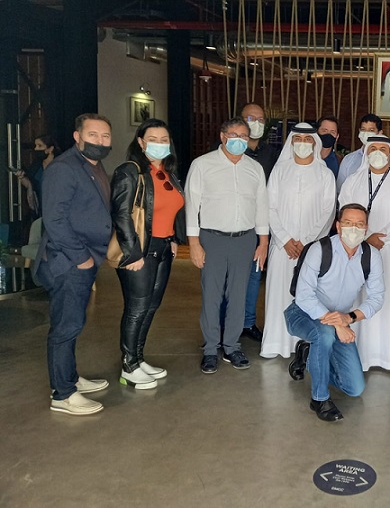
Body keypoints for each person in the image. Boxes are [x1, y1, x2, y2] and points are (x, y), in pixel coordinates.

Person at [34, 114, 113, 416]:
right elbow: (54, 220)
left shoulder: (92, 165)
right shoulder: (63, 168)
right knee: (66, 327)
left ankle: (70, 377)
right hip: (67, 261)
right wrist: (81, 258)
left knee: (73, 323)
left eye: (105, 136)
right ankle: (63, 394)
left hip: (84, 259)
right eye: (93, 135)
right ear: (77, 136)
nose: (100, 141)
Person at [185, 118, 270, 374]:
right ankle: (211, 349)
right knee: (212, 295)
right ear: (223, 136)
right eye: (234, 135)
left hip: (245, 239)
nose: (239, 140)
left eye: (244, 136)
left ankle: (232, 346)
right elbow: (192, 205)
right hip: (212, 238)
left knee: (238, 294)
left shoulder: (254, 168)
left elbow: (262, 206)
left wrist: (263, 241)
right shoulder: (202, 165)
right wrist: (194, 242)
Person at [284, 204, 384, 422]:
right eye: (348, 223)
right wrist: (339, 324)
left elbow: (377, 298)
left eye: (359, 224)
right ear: (338, 226)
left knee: (355, 388)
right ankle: (319, 399)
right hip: (301, 314)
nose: (354, 229)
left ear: (366, 228)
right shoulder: (319, 250)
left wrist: (348, 318)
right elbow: (303, 296)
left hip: (340, 319)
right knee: (325, 334)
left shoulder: (371, 255)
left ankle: (308, 356)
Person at [110, 119, 186, 390]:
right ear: (141, 142)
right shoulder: (130, 171)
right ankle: (128, 366)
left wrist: (173, 239)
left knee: (151, 306)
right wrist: (133, 253)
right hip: (140, 249)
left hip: (163, 248)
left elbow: (170, 211)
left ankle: (138, 359)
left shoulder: (168, 172)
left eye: (164, 139)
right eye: (153, 139)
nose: (159, 144)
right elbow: (121, 215)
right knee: (137, 308)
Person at [261, 123, 336, 359]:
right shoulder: (279, 171)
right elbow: (269, 206)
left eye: (308, 139)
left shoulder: (324, 173)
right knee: (280, 293)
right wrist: (284, 239)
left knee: (309, 294)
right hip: (281, 247)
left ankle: (306, 345)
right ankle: (276, 344)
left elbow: (328, 211)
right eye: (298, 139)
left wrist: (306, 242)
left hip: (312, 248)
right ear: (291, 142)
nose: (303, 143)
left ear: (315, 142)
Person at [339, 136, 390, 370]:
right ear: (366, 152)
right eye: (373, 148)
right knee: (359, 297)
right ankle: (358, 353)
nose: (378, 152)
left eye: (383, 148)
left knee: (389, 298)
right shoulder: (353, 180)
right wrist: (363, 238)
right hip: (356, 247)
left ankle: (389, 356)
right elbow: (344, 211)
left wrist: (380, 238)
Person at [237, 102, 280, 343]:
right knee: (229, 279)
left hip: (260, 225)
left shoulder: (271, 154)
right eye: (251, 119)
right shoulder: (229, 149)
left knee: (254, 276)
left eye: (261, 120)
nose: (257, 124)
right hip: (233, 225)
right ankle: (224, 326)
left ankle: (248, 322)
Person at [15, 134, 60, 216]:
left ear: (50, 149)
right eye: (35, 146)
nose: (36, 149)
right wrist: (22, 178)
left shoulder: (60, 166)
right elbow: (30, 183)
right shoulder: (36, 165)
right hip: (40, 211)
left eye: (39, 146)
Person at [336, 114, 382, 192]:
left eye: (371, 130)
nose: (366, 133)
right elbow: (340, 189)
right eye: (363, 129)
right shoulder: (348, 160)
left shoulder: (386, 160)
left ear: (379, 133)